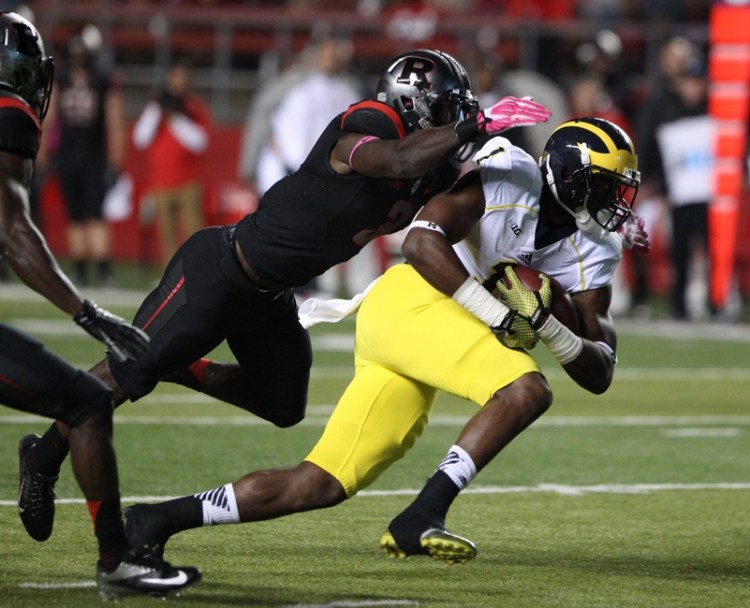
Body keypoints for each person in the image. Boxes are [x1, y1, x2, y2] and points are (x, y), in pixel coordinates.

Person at [19, 48, 551, 542]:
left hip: (270, 297)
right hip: (222, 269)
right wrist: (472, 126)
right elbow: (396, 160)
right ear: (417, 104)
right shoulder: (368, 123)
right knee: (124, 374)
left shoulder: (434, 165)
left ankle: (185, 367)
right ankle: (42, 459)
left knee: (282, 405)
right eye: (451, 111)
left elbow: (467, 189)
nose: (460, 119)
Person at [118, 117, 649, 564]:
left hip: (422, 329)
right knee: (526, 389)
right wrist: (498, 311)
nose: (617, 201)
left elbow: (600, 369)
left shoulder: (596, 247)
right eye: (606, 186)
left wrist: (550, 324)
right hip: (411, 301)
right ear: (569, 177)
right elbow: (419, 242)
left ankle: (157, 519)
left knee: (321, 482)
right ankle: (423, 514)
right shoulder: (510, 177)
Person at [0, 12, 201, 599]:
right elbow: (14, 234)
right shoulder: (10, 112)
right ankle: (117, 559)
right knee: (88, 403)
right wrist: (88, 313)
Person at [38, 26, 125, 287]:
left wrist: (42, 157)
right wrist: (115, 162)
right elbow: (114, 123)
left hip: (81, 156)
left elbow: (50, 119)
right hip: (82, 156)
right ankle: (91, 271)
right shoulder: (91, 81)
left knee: (86, 215)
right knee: (82, 215)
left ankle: (93, 271)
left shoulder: (84, 81)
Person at [636, 46, 711, 320]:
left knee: (710, 249)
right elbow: (657, 153)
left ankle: (714, 302)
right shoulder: (666, 111)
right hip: (677, 194)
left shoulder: (714, 111)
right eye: (689, 82)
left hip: (708, 194)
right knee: (678, 249)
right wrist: (659, 187)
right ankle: (677, 304)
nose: (694, 88)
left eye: (698, 82)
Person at [132, 57, 211, 267]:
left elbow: (199, 142)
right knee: (167, 238)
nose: (178, 83)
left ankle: (201, 271)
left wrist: (175, 116)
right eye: (175, 77)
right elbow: (140, 138)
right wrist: (158, 109)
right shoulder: (156, 108)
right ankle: (173, 279)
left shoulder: (193, 107)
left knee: (195, 234)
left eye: (183, 78)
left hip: (188, 182)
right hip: (160, 182)